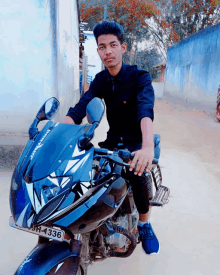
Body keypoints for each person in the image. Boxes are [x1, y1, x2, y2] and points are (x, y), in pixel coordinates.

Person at [62, 21, 159, 255]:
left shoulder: (139, 77)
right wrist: (56, 136)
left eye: (113, 45)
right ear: (98, 51)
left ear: (123, 47)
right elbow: (78, 111)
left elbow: (145, 111)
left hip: (136, 143)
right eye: (102, 47)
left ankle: (145, 224)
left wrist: (146, 147)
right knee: (85, 175)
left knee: (138, 173)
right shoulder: (100, 81)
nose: (108, 51)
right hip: (112, 143)